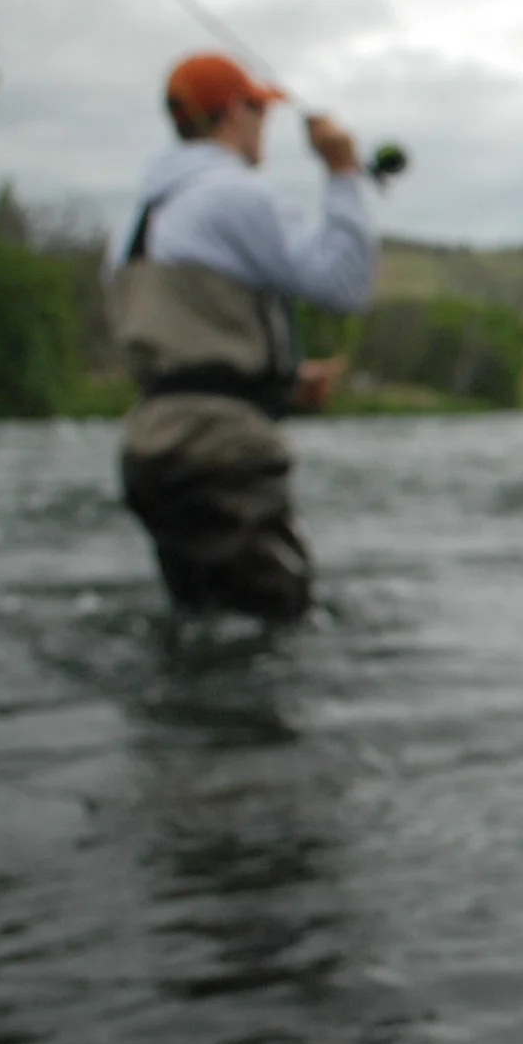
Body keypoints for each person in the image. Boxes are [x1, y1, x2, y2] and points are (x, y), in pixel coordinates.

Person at [106, 51, 378, 620]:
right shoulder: (234, 195)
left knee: (203, 629)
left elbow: (183, 355)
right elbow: (343, 283)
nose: (266, 128)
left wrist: (281, 382)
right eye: (261, 110)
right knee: (269, 632)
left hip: (151, 450)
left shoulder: (142, 216)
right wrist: (344, 173)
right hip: (220, 453)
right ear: (235, 111)